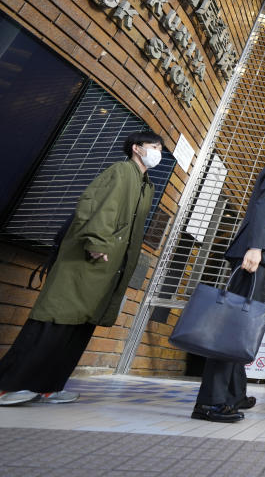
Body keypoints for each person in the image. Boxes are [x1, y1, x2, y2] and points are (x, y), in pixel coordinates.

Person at [0, 131, 162, 406]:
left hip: (107, 269)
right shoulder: (121, 171)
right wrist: (97, 241)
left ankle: (49, 386)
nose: (158, 152)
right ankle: (8, 385)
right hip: (88, 260)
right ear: (137, 148)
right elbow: (96, 204)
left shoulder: (146, 185)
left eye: (160, 148)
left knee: (79, 327)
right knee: (54, 320)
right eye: (153, 147)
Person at [191, 131, 265, 423]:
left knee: (241, 326)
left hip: (260, 256)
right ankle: (210, 402)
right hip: (256, 257)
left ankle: (234, 394)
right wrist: (256, 248)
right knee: (234, 327)